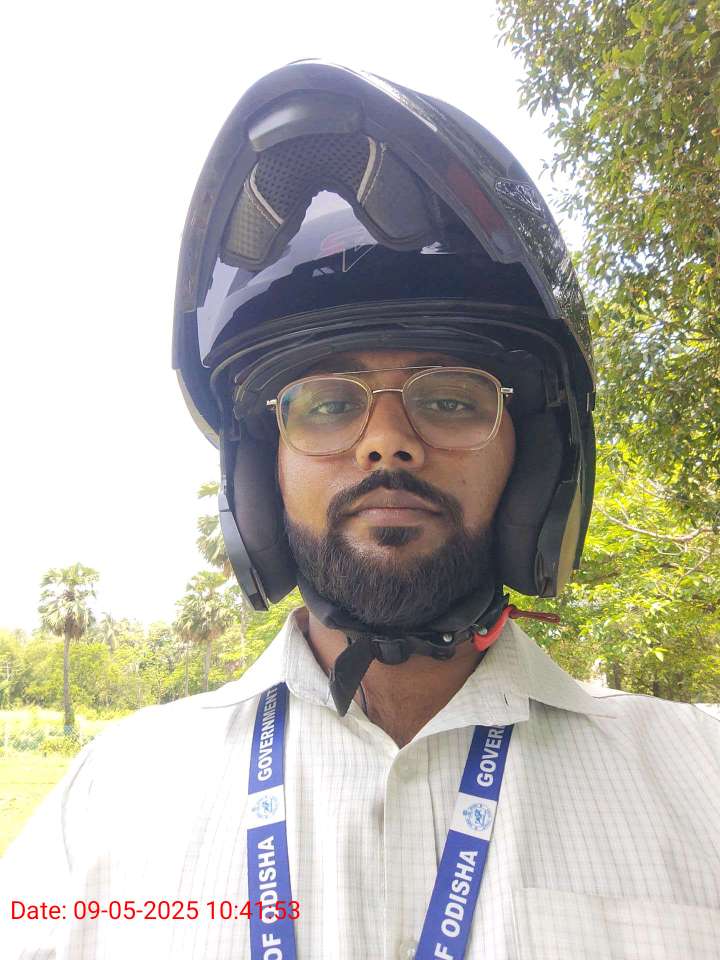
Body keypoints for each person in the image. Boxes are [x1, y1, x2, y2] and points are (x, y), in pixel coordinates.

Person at [2, 61, 719, 960]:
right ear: (260, 472)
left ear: (533, 460)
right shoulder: (113, 798)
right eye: (327, 405)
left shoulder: (701, 779)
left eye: (451, 399)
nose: (386, 443)